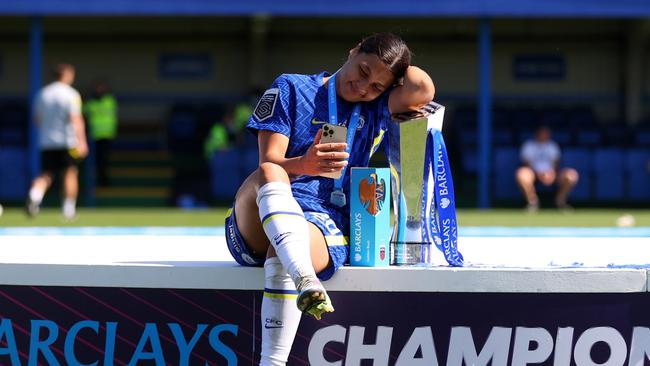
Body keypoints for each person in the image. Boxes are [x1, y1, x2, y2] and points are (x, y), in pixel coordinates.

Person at [224, 33, 434, 365]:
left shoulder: (374, 107)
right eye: (363, 71)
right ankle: (304, 276)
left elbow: (422, 89)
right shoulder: (292, 87)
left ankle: (273, 358)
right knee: (268, 172)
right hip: (265, 209)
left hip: (322, 222)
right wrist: (304, 164)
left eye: (378, 86)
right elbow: (269, 159)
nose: (364, 87)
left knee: (284, 249)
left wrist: (393, 67)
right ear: (353, 51)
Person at [26, 63, 88, 219]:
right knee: (70, 173)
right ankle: (68, 210)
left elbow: (37, 119)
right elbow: (76, 119)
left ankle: (35, 195)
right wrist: (82, 141)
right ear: (67, 75)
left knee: (46, 174)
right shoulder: (71, 94)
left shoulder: (42, 94)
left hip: (46, 142)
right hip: (68, 142)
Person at [515, 125, 579, 211]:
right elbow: (526, 164)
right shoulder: (529, 146)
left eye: (546, 133)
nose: (545, 135)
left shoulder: (552, 146)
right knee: (521, 174)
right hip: (534, 173)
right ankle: (532, 203)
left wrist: (552, 173)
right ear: (537, 134)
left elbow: (556, 164)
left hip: (552, 173)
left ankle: (560, 202)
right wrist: (539, 174)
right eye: (542, 133)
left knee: (571, 175)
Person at [84, 80, 118, 186]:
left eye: (102, 88)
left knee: (104, 160)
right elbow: (81, 113)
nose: (100, 90)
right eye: (98, 88)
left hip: (107, 135)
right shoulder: (90, 103)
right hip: (95, 136)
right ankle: (98, 182)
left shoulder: (110, 101)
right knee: (97, 161)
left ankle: (104, 181)